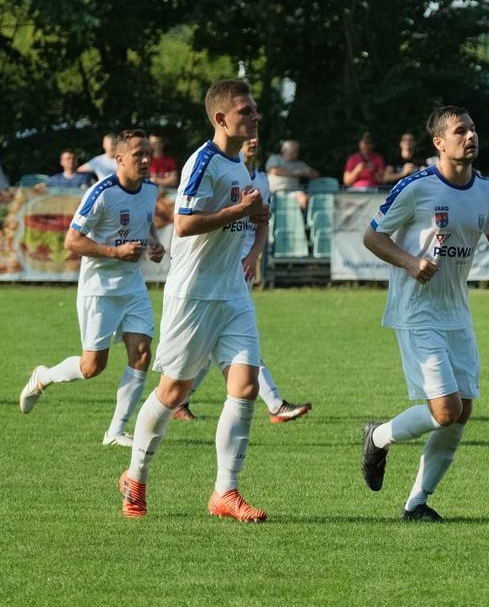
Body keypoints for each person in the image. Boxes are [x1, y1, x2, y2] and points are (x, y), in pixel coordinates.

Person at [116, 78, 272, 522]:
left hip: (232, 293)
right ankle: (135, 476)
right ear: (221, 118)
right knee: (173, 390)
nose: (255, 116)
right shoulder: (203, 162)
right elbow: (183, 225)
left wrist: (255, 217)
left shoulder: (240, 165)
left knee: (245, 387)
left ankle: (226, 491)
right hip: (194, 295)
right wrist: (240, 212)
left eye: (255, 109)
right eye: (246, 111)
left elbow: (240, 220)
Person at [358, 106, 489, 522]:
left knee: (461, 414)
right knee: (445, 411)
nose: (470, 136)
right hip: (417, 312)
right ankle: (377, 437)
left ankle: (416, 504)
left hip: (457, 313)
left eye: (473, 128)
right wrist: (410, 263)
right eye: (460, 130)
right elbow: (372, 236)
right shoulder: (416, 187)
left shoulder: (488, 191)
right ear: (439, 143)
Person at [20, 130, 166, 447]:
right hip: (99, 290)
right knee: (91, 368)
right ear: (119, 159)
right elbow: (72, 240)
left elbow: (147, 220)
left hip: (133, 287)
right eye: (138, 155)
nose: (145, 160)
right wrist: (115, 252)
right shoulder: (102, 193)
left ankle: (115, 431)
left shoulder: (150, 190)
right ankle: (43, 376)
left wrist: (154, 244)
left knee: (142, 354)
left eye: (148, 155)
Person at [176, 137, 312, 425]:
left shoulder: (261, 180)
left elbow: (263, 223)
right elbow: (187, 223)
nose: (252, 141)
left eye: (256, 137)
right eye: (247, 137)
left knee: (227, 338)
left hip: (242, 268)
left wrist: (253, 256)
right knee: (225, 341)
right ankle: (274, 404)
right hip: (213, 267)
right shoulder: (219, 169)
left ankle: (180, 400)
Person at [266, 139, 319, 210]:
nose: (296, 153)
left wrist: (307, 173)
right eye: (293, 151)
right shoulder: (275, 158)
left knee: (304, 198)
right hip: (274, 192)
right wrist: (294, 173)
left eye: (297, 151)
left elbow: (316, 174)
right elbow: (273, 171)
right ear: (284, 150)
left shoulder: (299, 164)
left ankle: (305, 219)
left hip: (292, 192)